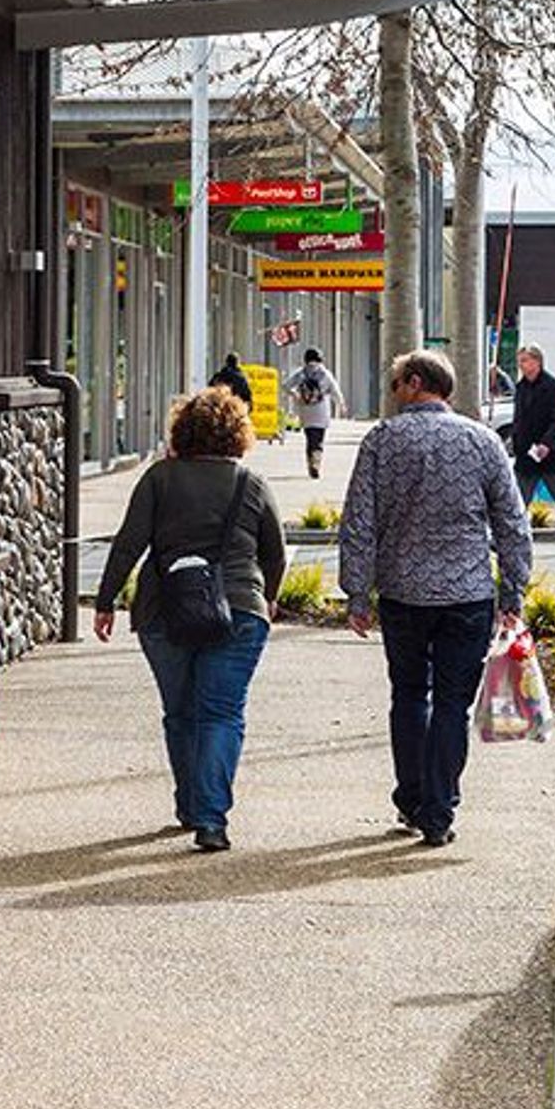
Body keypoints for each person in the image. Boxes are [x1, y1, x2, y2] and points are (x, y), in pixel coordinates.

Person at [337, 349, 532, 848]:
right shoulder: (483, 441)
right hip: (468, 594)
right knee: (452, 703)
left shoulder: (382, 440)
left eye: (397, 381)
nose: (393, 390)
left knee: (408, 694)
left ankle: (412, 796)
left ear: (417, 383)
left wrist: (357, 592)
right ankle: (439, 810)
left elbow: (359, 521)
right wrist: (513, 590)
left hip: (403, 593)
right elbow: (512, 523)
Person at [93, 387, 287, 853]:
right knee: (221, 712)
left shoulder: (159, 478)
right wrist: (270, 598)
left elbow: (128, 543)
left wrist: (105, 601)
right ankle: (210, 818)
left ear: (182, 431)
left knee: (180, 712)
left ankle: (189, 803)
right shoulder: (252, 483)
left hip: (165, 609)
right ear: (237, 433)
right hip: (239, 607)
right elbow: (274, 554)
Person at [508, 345, 555, 555]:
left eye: (525, 360)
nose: (521, 365)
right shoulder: (521, 387)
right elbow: (519, 419)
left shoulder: (552, 386)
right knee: (517, 501)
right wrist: (516, 442)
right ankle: (512, 541)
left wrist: (546, 444)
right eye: (520, 361)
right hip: (526, 455)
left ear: (536, 362)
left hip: (549, 454)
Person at [287, 346, 345, 479]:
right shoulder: (325, 373)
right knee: (318, 439)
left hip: (305, 411)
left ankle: (310, 462)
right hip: (321, 412)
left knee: (309, 439)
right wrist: (341, 404)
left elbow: (285, 385)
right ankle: (316, 462)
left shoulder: (301, 373)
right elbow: (335, 390)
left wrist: (295, 394)